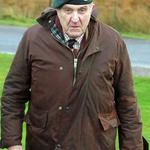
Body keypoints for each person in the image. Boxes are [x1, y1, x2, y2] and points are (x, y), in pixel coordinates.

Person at [0, 0, 143, 150]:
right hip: (43, 143)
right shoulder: (33, 38)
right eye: (68, 11)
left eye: (82, 10)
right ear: (57, 10)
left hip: (96, 144)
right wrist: (13, 142)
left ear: (91, 9)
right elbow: (13, 94)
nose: (75, 19)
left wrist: (133, 147)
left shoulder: (113, 41)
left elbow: (127, 102)